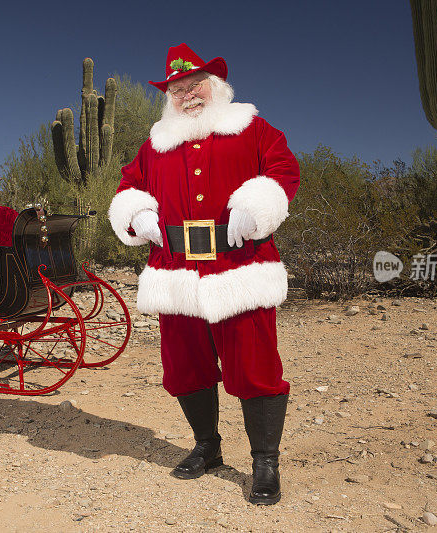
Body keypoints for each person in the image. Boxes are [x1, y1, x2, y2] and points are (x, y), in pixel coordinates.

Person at [108, 43, 299, 505]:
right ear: (168, 96)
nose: (187, 96)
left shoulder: (252, 129)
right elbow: (128, 185)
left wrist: (257, 206)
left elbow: (283, 170)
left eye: (195, 87)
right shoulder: (154, 145)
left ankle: (264, 463)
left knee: (255, 368)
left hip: (240, 269)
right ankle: (208, 447)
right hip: (175, 273)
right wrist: (137, 214)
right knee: (185, 368)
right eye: (178, 90)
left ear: (216, 88)